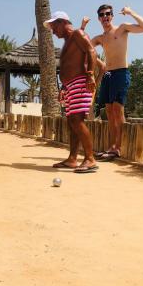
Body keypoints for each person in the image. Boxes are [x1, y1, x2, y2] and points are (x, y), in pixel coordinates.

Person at [91, 5, 143, 161]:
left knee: (118, 110)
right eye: (102, 15)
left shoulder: (122, 29)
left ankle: (119, 148)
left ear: (112, 16)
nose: (105, 17)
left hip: (121, 72)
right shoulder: (100, 38)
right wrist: (100, 63)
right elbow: (84, 48)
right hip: (108, 75)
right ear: (99, 18)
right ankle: (112, 147)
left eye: (108, 14)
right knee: (109, 111)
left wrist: (131, 12)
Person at [44, 11, 98, 173]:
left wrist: (90, 75)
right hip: (71, 85)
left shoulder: (77, 34)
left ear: (62, 22)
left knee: (77, 120)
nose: (53, 31)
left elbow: (92, 51)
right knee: (72, 122)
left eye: (54, 27)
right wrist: (64, 87)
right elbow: (70, 65)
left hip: (81, 82)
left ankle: (90, 159)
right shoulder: (68, 41)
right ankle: (72, 159)